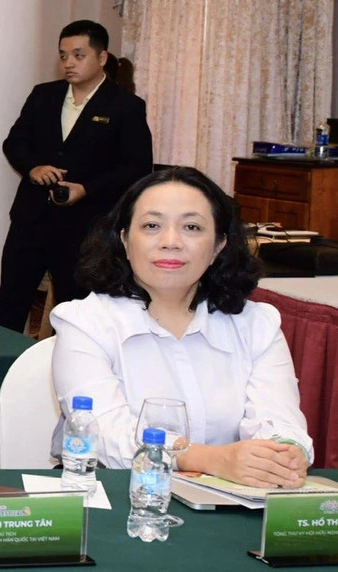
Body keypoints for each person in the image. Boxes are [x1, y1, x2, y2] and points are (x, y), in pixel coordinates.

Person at [51, 167, 311, 486]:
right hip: (120, 498)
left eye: (191, 226)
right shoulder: (84, 322)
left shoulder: (258, 324)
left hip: (230, 500)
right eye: (151, 225)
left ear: (218, 246)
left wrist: (284, 453)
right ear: (124, 240)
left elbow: (279, 419)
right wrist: (210, 459)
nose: (170, 242)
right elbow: (105, 433)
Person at [0, 20, 154, 332]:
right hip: (32, 218)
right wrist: (33, 168)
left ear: (102, 58)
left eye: (78, 55)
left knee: (75, 310)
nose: (69, 63)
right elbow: (15, 143)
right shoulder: (44, 96)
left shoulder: (125, 106)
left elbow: (137, 167)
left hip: (86, 227)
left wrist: (87, 189)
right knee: (10, 303)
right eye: (63, 56)